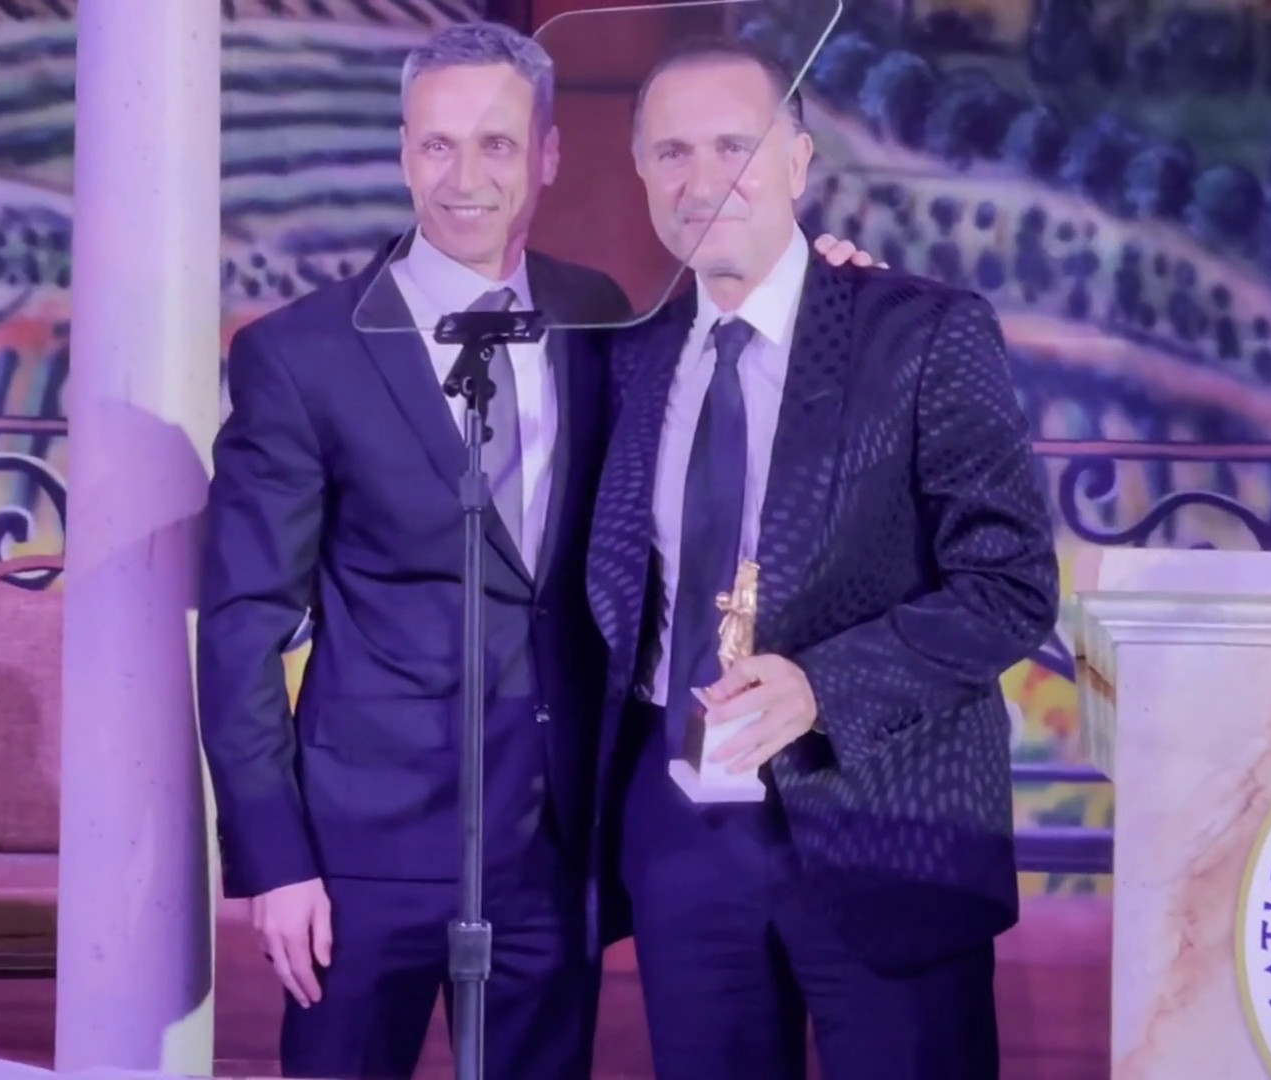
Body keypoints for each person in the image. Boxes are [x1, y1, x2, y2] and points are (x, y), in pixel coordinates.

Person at [197, 21, 871, 1080]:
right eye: (437, 144)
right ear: (402, 152)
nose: (464, 177)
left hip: (551, 850)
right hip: (361, 854)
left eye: (498, 145)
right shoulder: (301, 354)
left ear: (550, 155)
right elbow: (242, 628)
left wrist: (827, 280)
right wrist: (274, 860)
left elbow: (741, 331)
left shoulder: (599, 318)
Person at [585, 35, 1060, 1080]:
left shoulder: (922, 333)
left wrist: (821, 690)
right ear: (642, 175)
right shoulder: (626, 360)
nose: (704, 179)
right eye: (672, 153)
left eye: (734, 146)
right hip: (682, 841)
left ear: (798, 161)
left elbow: (1010, 583)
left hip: (886, 822)